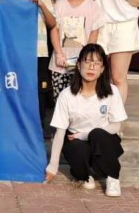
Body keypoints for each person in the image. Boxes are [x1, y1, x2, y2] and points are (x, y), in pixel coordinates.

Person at [45, 43, 127, 196]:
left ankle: (113, 178)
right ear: (78, 65)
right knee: (77, 149)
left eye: (97, 63)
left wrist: (84, 135)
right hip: (75, 140)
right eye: (87, 62)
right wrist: (53, 165)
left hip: (103, 140)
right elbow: (60, 132)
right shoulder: (66, 95)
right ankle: (86, 175)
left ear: (102, 69)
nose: (91, 67)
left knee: (97, 134)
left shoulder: (112, 92)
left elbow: (116, 126)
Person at [48, 0, 103, 97]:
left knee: (81, 99)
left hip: (83, 66)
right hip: (60, 64)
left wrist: (86, 59)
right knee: (60, 99)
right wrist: (59, 53)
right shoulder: (60, 5)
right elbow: (54, 30)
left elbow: (93, 35)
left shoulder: (93, 7)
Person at [16, 0, 57, 122]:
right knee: (20, 85)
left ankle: (39, 124)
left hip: (40, 52)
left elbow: (52, 23)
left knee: (40, 87)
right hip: (19, 53)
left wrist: (42, 5)